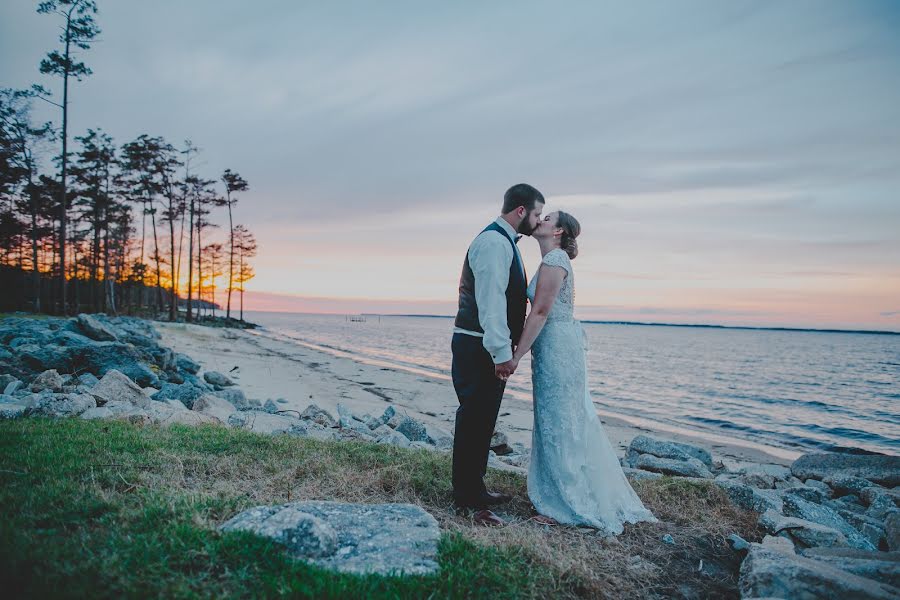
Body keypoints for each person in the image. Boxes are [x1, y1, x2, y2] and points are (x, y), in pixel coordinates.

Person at [508, 210, 657, 533]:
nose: (541, 220)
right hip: (553, 346)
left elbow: (542, 311)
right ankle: (560, 489)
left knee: (562, 418)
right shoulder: (551, 259)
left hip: (558, 348)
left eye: (547, 218)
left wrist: (516, 354)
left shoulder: (556, 259)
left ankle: (568, 500)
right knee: (559, 416)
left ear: (559, 230)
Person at [451, 183, 544, 526]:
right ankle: (466, 499)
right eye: (536, 214)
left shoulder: (503, 242)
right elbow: (491, 303)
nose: (537, 221)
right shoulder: (493, 243)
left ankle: (476, 489)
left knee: (483, 420)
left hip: (481, 344)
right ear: (521, 211)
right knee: (474, 419)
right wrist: (501, 353)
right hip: (478, 345)